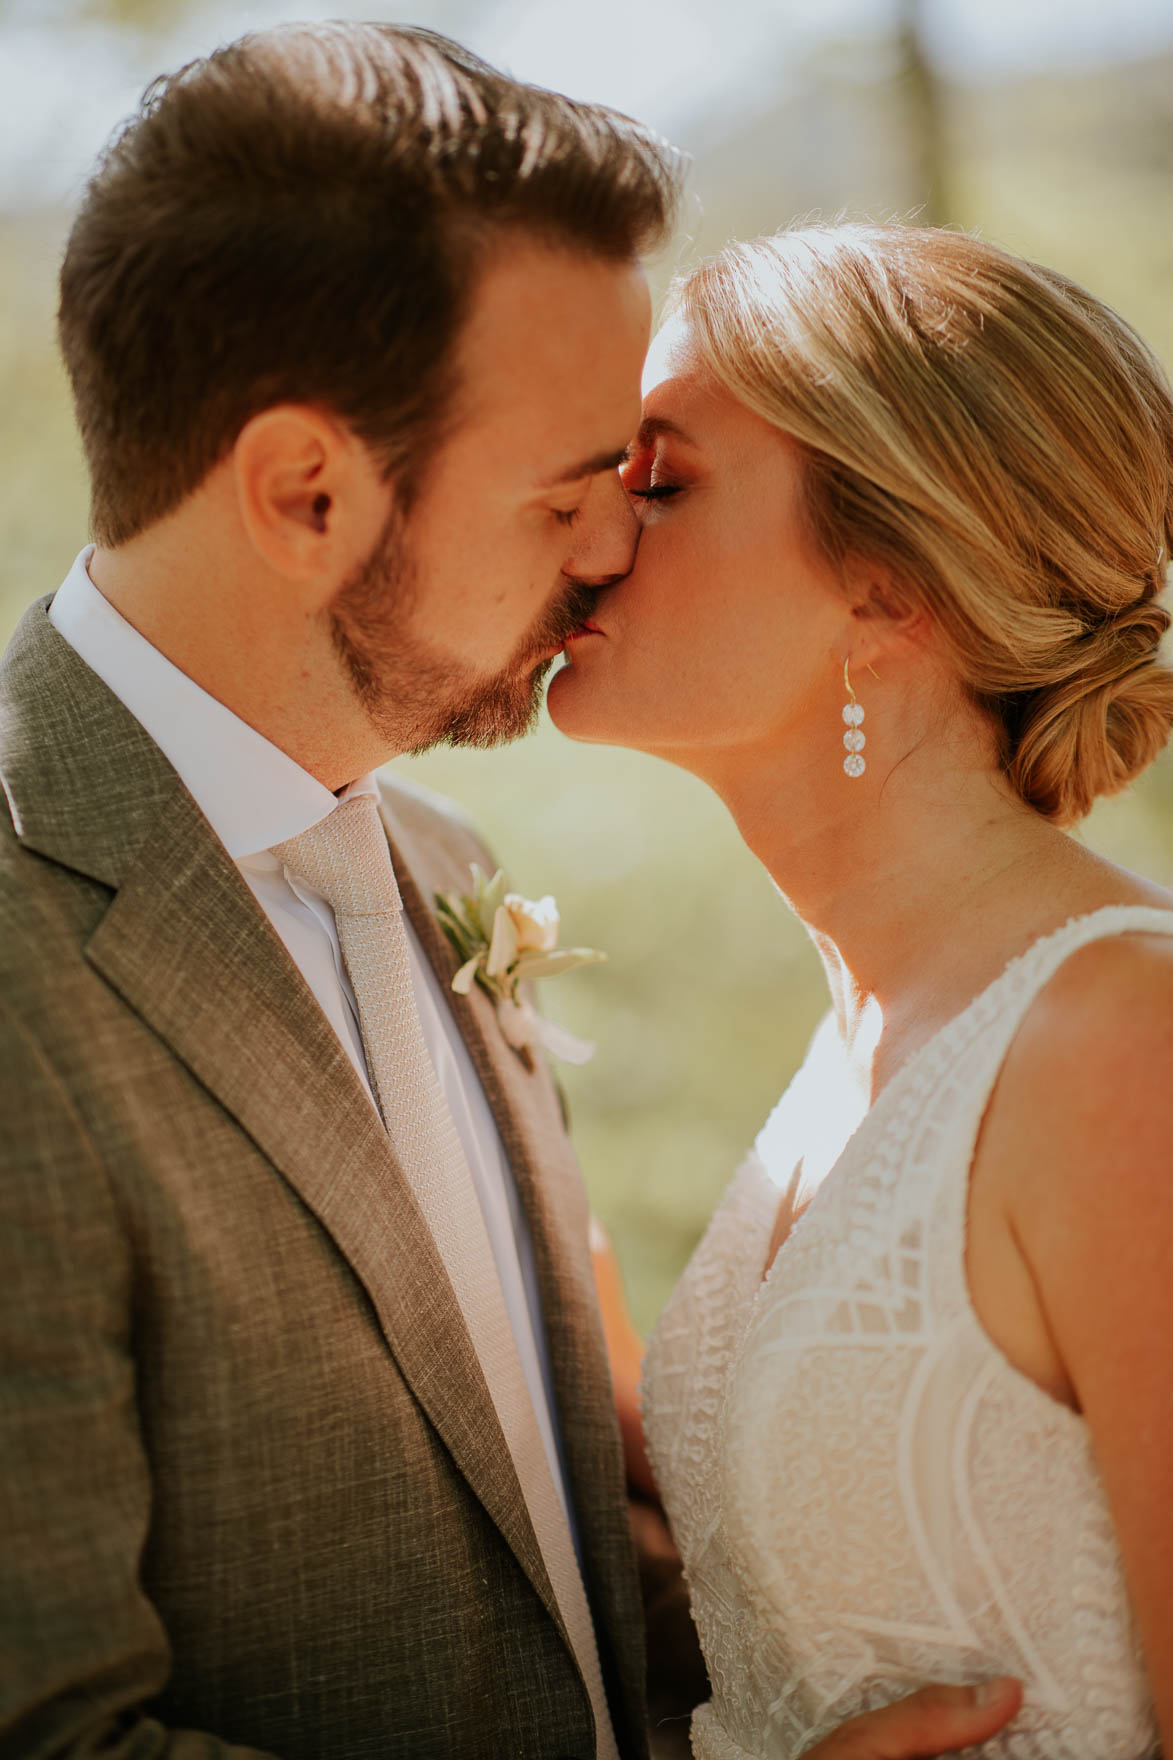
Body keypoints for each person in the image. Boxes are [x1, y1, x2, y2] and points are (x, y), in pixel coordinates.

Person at [0, 22, 1027, 1755]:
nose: (616, 549)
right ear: (307, 492)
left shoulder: (437, 866)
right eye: (568, 493)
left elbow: (548, 1546)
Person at [549, 221, 1173, 1756]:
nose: (585, 533)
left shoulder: (1122, 1043)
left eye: (663, 484)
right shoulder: (858, 1047)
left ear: (886, 591)